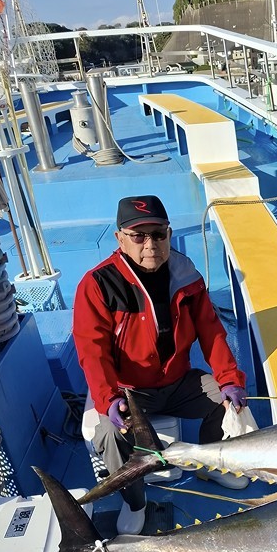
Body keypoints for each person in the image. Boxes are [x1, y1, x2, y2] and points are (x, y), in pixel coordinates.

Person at [73, 195, 249, 534]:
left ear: (169, 234)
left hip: (178, 381)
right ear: (120, 238)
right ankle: (135, 501)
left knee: (224, 401)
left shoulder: (186, 274)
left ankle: (208, 463)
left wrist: (229, 379)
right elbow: (92, 351)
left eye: (158, 234)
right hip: (131, 390)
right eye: (139, 236)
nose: (150, 244)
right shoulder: (97, 285)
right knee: (110, 434)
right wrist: (109, 398)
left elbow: (211, 332)